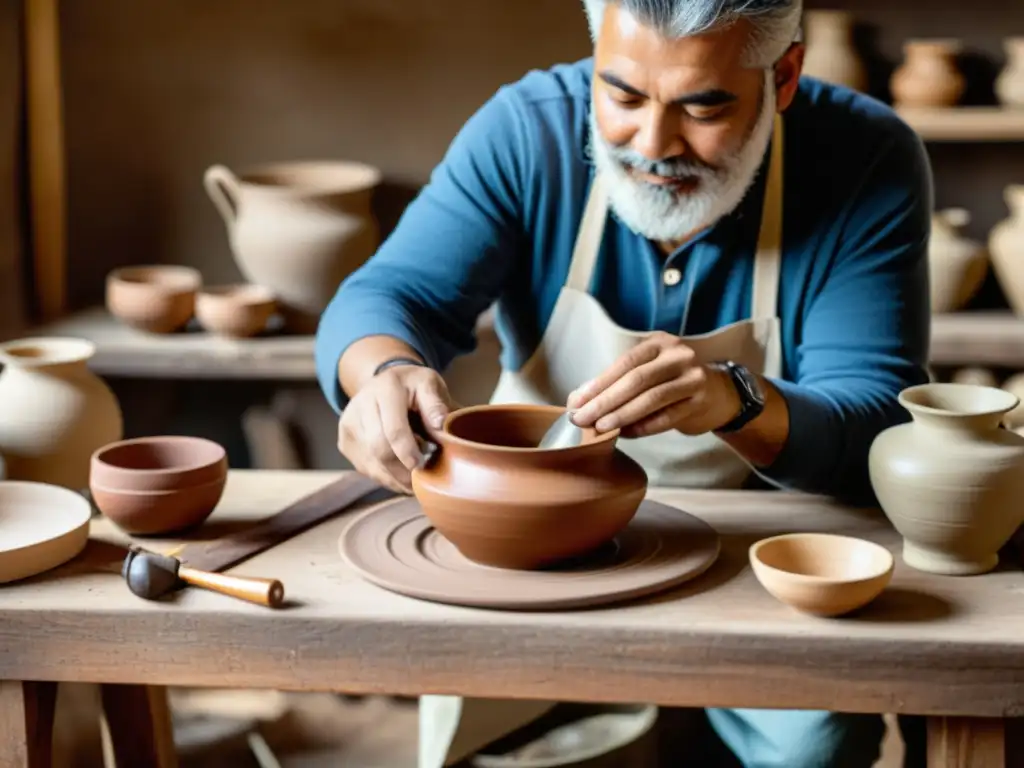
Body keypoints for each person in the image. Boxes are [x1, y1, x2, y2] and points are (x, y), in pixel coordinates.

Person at [315, 0, 932, 765]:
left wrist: (734, 401)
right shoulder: (528, 130)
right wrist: (385, 372)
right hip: (533, 561)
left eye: (702, 105)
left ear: (784, 77)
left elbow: (877, 418)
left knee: (816, 739)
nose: (653, 143)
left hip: (766, 558)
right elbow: (387, 295)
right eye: (624, 95)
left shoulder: (864, 157)